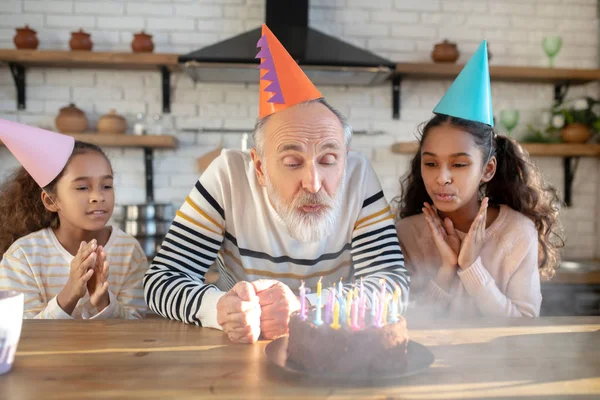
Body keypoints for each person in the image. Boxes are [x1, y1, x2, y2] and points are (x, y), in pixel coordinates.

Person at [144, 24, 410, 342]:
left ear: (345, 157)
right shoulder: (227, 175)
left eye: (328, 161)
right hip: (241, 344)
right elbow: (161, 280)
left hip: (335, 346)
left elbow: (391, 285)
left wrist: (304, 308)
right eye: (292, 163)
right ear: (259, 167)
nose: (313, 183)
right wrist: (220, 309)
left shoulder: (358, 175)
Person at [395, 41, 563, 318]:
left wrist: (471, 266)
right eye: (431, 163)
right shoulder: (407, 234)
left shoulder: (517, 233)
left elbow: (524, 326)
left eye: (459, 164)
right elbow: (410, 326)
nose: (442, 178)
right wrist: (448, 268)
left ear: (487, 169)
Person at [0, 120, 148, 319]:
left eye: (106, 186)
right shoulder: (23, 257)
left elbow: (137, 328)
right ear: (51, 200)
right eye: (82, 187)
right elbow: (23, 335)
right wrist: (69, 294)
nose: (98, 196)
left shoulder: (129, 251)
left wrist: (103, 301)